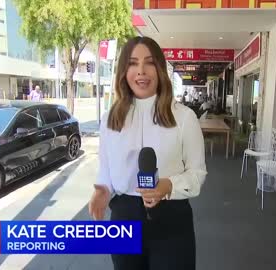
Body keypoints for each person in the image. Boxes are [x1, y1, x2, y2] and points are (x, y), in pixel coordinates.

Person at [88, 36, 207, 270]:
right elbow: (106, 168)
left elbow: (197, 174)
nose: (141, 71)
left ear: (160, 69)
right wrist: (102, 190)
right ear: (124, 71)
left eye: (149, 63)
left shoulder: (184, 117)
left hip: (172, 218)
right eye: (132, 63)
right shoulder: (111, 118)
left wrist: (168, 186)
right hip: (124, 218)